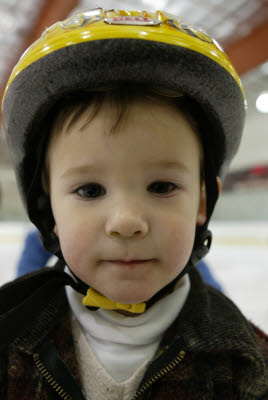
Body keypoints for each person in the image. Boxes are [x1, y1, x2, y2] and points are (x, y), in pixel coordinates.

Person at [0, 8, 267, 399]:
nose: (126, 222)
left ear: (202, 202)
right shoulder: (11, 336)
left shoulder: (247, 363)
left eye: (161, 186)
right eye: (90, 191)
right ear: (49, 209)